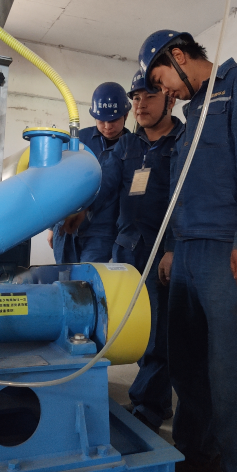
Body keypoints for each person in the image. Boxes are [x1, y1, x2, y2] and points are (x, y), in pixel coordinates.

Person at [139, 29, 237, 472]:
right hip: (188, 250)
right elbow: (180, 190)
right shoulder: (193, 113)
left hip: (231, 251)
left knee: (235, 372)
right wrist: (171, 248)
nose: (164, 92)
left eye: (161, 79)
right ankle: (198, 455)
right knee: (188, 366)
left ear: (179, 55)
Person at [66, 69, 183, 434]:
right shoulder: (128, 146)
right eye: (136, 98)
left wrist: (172, 248)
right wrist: (82, 208)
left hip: (159, 250)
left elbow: (186, 200)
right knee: (139, 325)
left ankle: (149, 406)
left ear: (170, 98)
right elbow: (107, 181)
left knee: (159, 332)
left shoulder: (182, 142)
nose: (141, 104)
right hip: (127, 248)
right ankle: (154, 400)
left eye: (149, 95)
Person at [47, 82, 131, 263]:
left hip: (101, 231)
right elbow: (59, 180)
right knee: (64, 275)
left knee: (88, 276)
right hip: (66, 226)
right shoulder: (78, 140)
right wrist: (52, 227)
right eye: (101, 121)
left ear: (125, 115)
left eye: (113, 121)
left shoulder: (132, 147)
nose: (107, 126)